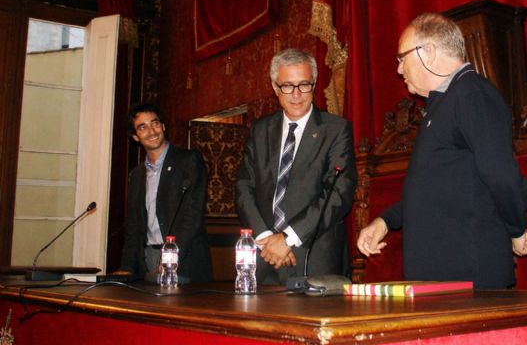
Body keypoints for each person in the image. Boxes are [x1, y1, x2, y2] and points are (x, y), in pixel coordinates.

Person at [356, 13, 527, 289]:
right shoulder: (442, 104)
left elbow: (500, 173)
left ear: (428, 51)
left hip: (469, 277)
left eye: (402, 58)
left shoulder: (472, 93)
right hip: (443, 277)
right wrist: (385, 221)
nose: (399, 70)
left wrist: (516, 228)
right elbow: (433, 187)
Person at [235, 48, 357, 285]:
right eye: (288, 86)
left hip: (313, 256)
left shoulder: (336, 130)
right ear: (275, 87)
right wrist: (267, 239)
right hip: (264, 255)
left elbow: (337, 193)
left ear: (314, 84)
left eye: (304, 85)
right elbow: (244, 187)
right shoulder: (260, 130)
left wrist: (287, 239)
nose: (297, 94)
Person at [115, 103, 212, 283]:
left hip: (184, 260)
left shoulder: (189, 161)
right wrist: (127, 268)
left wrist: (170, 257)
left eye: (155, 123)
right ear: (135, 137)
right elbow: (134, 226)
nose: (151, 131)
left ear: (163, 126)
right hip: (148, 259)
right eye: (142, 127)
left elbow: (192, 216)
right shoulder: (136, 175)